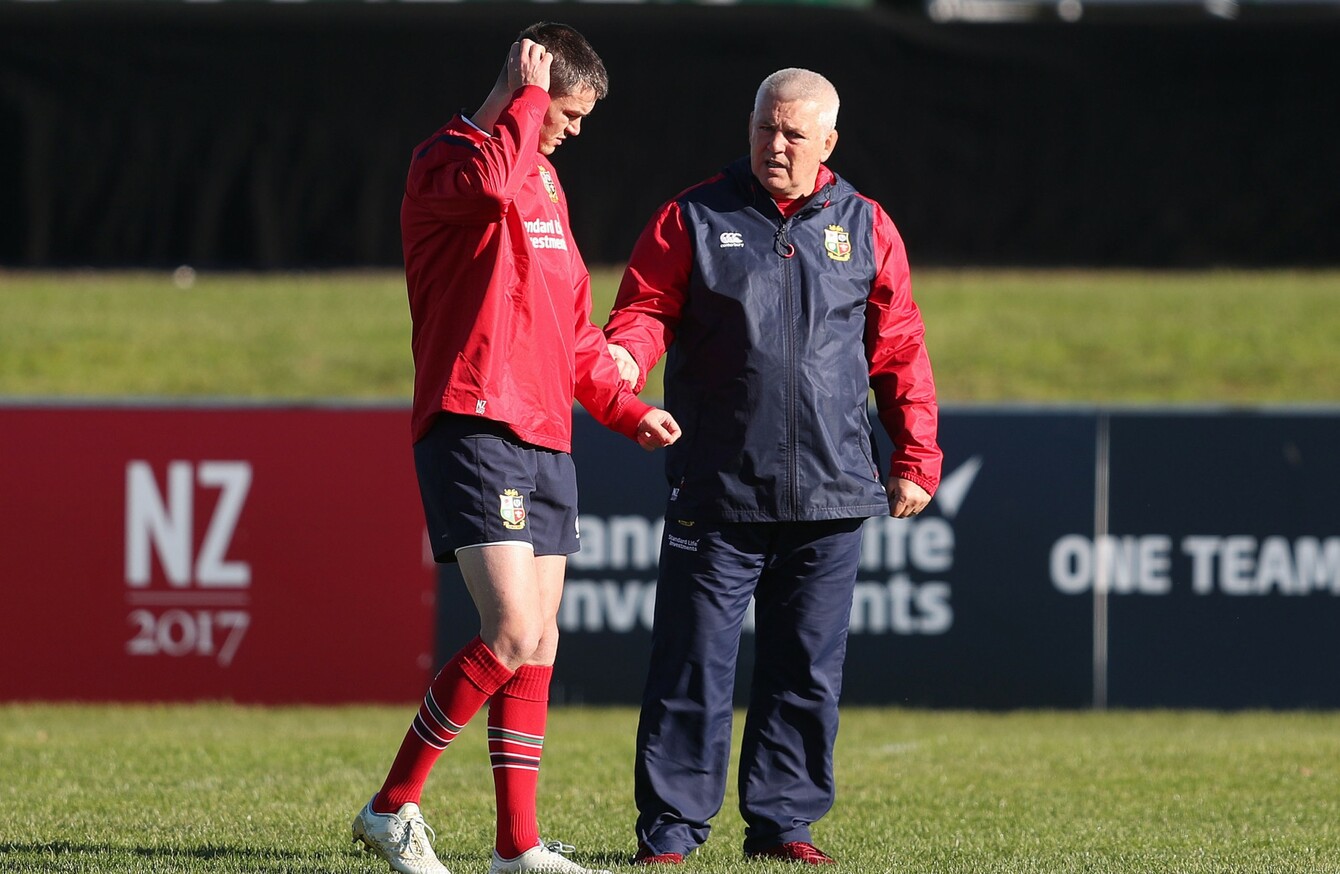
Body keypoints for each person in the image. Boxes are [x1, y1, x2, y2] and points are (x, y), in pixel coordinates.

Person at [351, 23, 680, 874]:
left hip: (545, 435)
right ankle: (391, 805)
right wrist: (523, 99)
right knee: (509, 631)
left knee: (539, 645)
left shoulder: (545, 181)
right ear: (532, 89)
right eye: (568, 110)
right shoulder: (450, 160)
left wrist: (625, 409)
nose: (573, 127)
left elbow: (572, 329)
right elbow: (492, 185)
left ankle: (516, 845)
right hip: (476, 420)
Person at [603, 68, 942, 866]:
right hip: (717, 487)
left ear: (829, 142)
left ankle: (785, 825)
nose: (775, 146)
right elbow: (646, 308)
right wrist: (625, 357)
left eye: (794, 134)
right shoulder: (692, 215)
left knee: (806, 671)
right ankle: (671, 834)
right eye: (765, 128)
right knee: (691, 666)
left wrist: (916, 454)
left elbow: (898, 347)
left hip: (831, 492)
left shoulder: (866, 224)